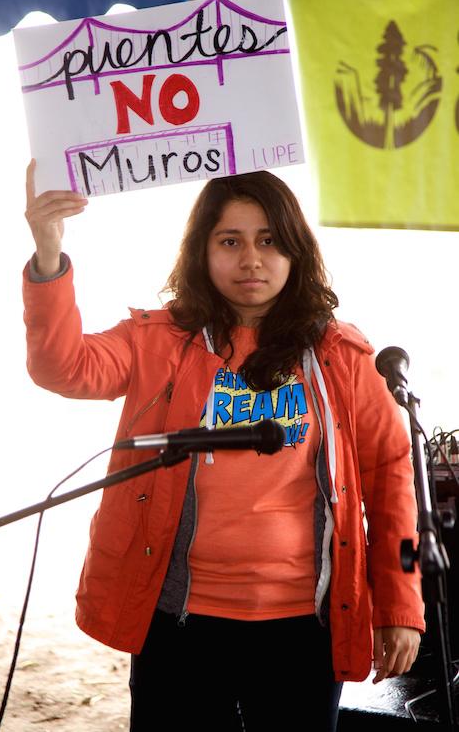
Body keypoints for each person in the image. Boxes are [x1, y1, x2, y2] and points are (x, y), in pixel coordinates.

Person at [23, 161, 425, 732]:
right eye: (230, 241)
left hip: (304, 628)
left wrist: (402, 603)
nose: (251, 259)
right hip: (178, 622)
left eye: (268, 241)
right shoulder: (158, 340)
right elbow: (61, 367)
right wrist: (48, 251)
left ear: (296, 251)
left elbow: (393, 478)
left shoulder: (341, 356)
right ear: (202, 251)